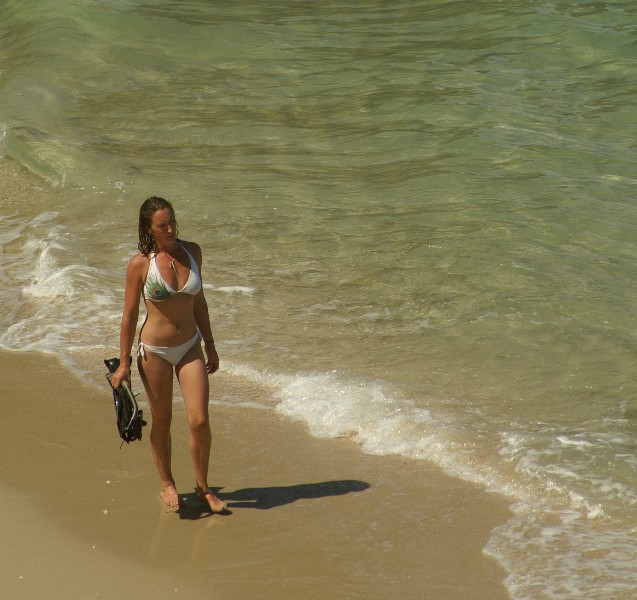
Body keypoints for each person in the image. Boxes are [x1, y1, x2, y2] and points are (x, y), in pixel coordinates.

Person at [110, 196, 227, 513]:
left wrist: (210, 343)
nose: (171, 229)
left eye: (173, 221)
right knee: (162, 420)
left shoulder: (193, 252)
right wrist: (123, 363)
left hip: (190, 346)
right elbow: (129, 315)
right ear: (149, 229)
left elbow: (199, 302)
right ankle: (167, 484)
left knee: (199, 420)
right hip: (155, 352)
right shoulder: (140, 264)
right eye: (163, 225)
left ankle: (203, 488)